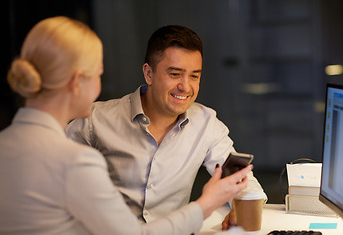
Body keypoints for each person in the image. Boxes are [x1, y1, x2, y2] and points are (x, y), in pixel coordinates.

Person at [0, 16, 253, 235]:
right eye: (99, 74)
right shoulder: (75, 160)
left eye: (194, 75)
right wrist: (207, 203)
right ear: (78, 82)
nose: (185, 86)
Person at [66, 25, 266, 230]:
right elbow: (53, 180)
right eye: (175, 74)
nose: (186, 87)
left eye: (194, 76)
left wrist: (240, 207)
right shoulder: (94, 120)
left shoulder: (207, 124)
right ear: (148, 74)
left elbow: (244, 182)